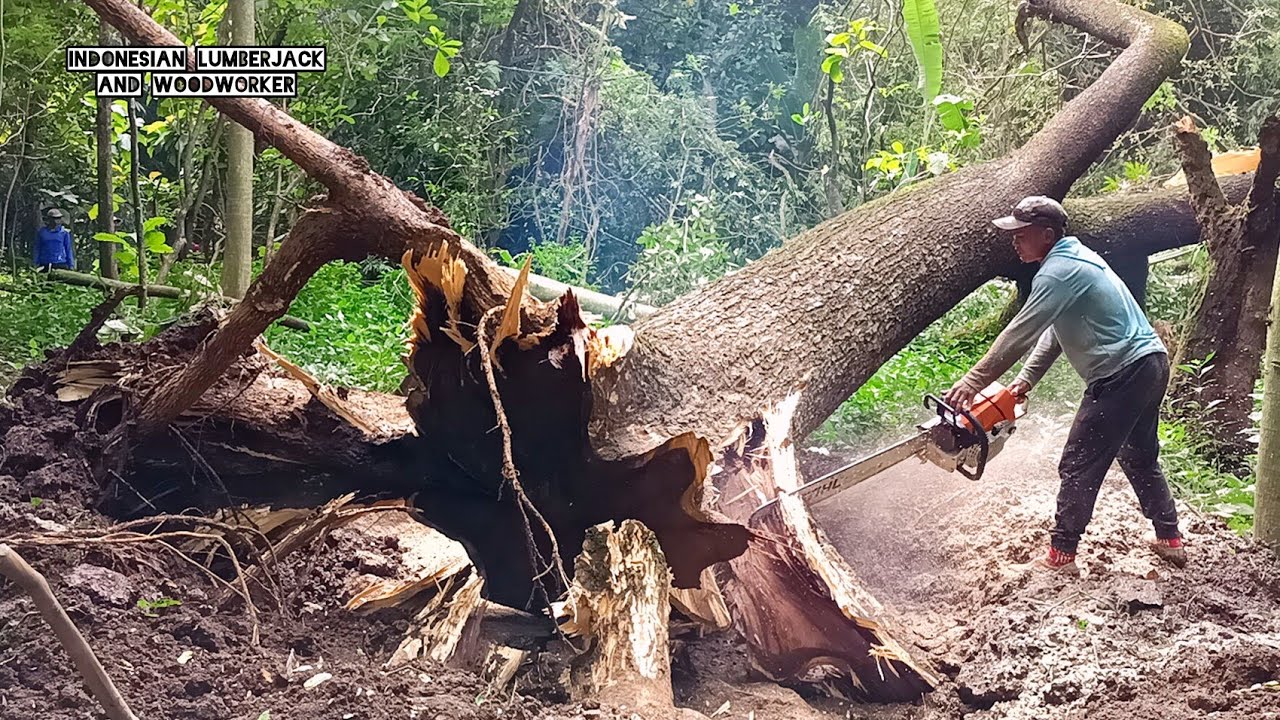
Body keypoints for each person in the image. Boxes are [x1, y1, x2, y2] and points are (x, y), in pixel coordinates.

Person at [944, 195, 1185, 575]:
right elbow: (1055, 333)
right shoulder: (1075, 260)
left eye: (1022, 234)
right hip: (1149, 364)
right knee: (1138, 455)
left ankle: (1061, 555)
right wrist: (1025, 380)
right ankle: (1168, 538)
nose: (1015, 241)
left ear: (1047, 234)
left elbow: (1020, 332)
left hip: (1122, 373)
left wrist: (974, 380)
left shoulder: (1058, 271)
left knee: (1078, 462)